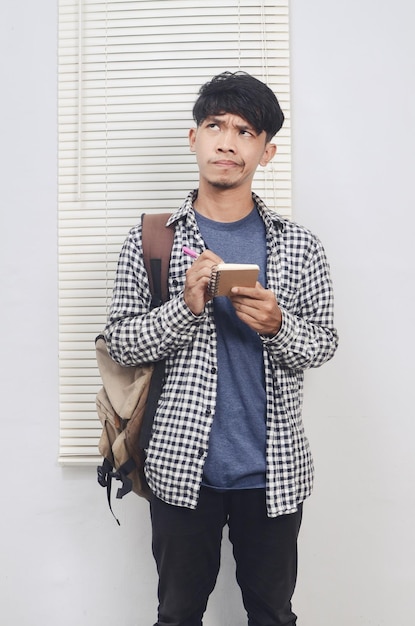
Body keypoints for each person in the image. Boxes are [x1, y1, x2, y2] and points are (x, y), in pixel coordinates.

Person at [105, 71, 339, 626]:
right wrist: (183, 308)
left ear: (266, 149)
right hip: (182, 469)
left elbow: (324, 343)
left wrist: (278, 325)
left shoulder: (301, 246)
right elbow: (119, 340)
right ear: (194, 139)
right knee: (179, 614)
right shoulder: (153, 238)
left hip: (274, 474)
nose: (227, 142)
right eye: (214, 126)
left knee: (273, 615)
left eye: (244, 131)